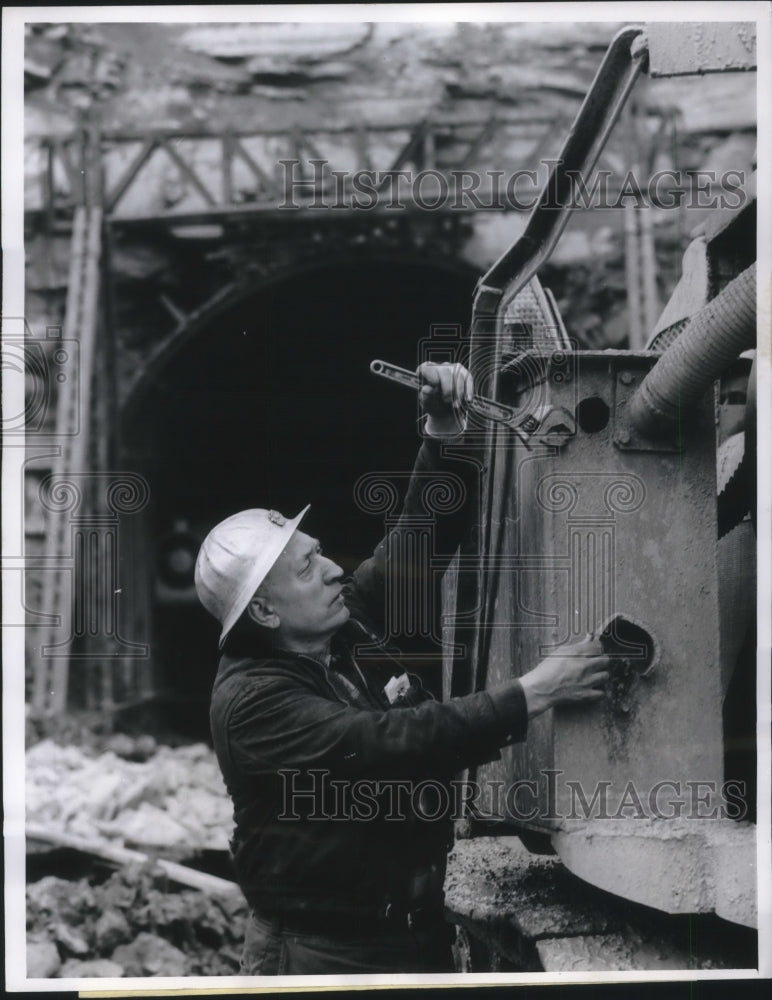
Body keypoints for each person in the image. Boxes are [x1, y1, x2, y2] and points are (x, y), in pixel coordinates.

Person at [195, 362, 610, 976]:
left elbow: (416, 544)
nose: (336, 568)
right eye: (309, 569)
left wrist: (443, 428)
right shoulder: (254, 703)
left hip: (408, 934)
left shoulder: (335, 629)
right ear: (263, 609)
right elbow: (387, 742)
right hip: (321, 956)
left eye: (320, 555)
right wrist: (535, 691)